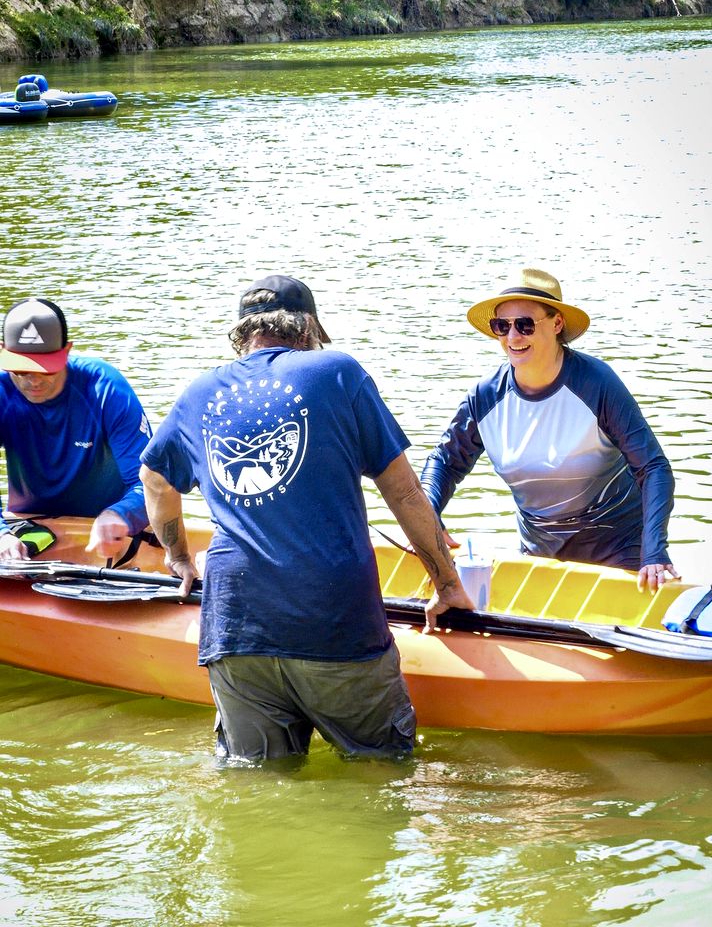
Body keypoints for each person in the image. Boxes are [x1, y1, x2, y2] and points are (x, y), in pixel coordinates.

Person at [139, 275, 472, 762]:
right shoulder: (337, 372)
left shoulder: (200, 392)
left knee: (255, 787)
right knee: (382, 773)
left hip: (235, 631)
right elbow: (402, 490)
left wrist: (180, 559)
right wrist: (446, 584)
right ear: (308, 327)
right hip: (334, 625)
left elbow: (154, 479)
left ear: (242, 333)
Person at [421, 268, 680, 594]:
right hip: (539, 557)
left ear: (557, 324)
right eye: (502, 326)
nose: (513, 337)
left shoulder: (597, 383)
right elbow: (446, 461)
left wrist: (654, 550)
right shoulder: (486, 395)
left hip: (619, 552)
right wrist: (426, 519)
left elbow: (653, 467)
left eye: (525, 324)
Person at [0, 298, 152, 561]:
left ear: (67, 351)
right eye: (21, 369)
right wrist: (1, 534)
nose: (32, 380)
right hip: (29, 533)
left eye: (45, 369)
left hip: (106, 533)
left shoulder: (105, 388)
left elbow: (151, 482)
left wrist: (121, 513)